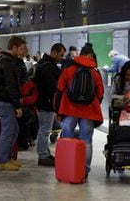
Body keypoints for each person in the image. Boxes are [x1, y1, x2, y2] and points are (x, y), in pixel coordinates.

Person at [56, 45, 104, 177]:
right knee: (86, 141)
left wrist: (58, 110)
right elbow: (100, 93)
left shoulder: (68, 69)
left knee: (67, 138)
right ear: (89, 56)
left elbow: (59, 90)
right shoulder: (94, 72)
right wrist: (92, 103)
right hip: (88, 111)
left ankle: (67, 166)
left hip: (69, 108)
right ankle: (84, 171)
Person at [0, 36, 26, 171]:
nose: (24, 51)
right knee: (8, 130)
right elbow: (10, 86)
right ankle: (2, 160)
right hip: (4, 101)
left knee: (14, 129)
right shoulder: (7, 62)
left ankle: (8, 157)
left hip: (4, 100)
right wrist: (17, 105)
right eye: (22, 48)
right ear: (14, 48)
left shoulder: (7, 60)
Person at [35, 43, 66, 166]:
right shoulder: (48, 67)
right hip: (46, 102)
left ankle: (45, 153)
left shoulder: (45, 64)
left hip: (44, 101)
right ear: (54, 52)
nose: (62, 57)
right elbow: (51, 86)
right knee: (44, 130)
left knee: (45, 129)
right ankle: (43, 156)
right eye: (61, 55)